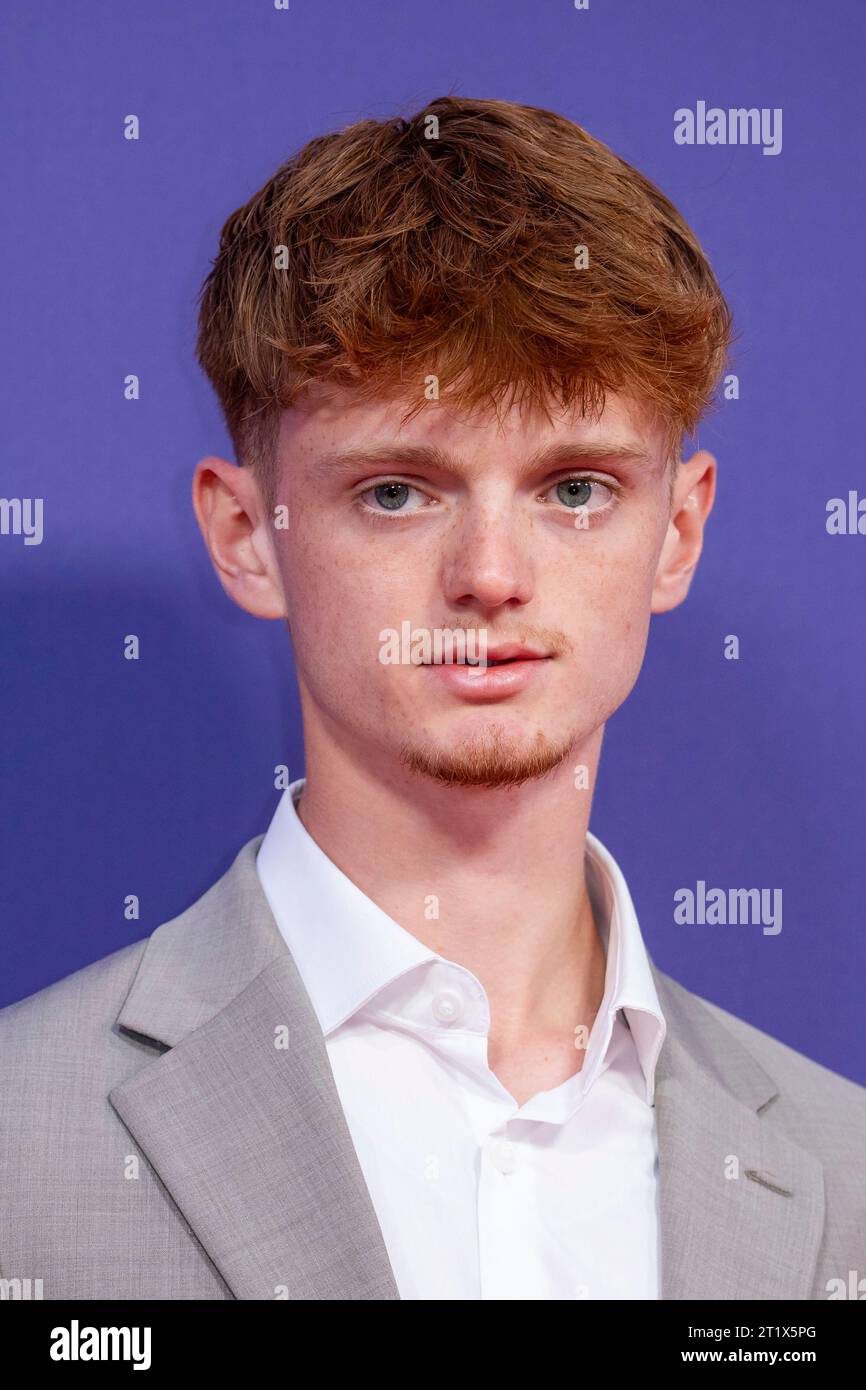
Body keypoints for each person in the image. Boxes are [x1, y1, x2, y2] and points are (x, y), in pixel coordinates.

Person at [1, 96, 863, 1302]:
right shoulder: (15, 1149)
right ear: (246, 534)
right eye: (399, 492)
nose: (491, 578)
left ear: (678, 530)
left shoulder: (843, 1175)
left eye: (573, 489)